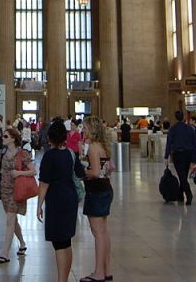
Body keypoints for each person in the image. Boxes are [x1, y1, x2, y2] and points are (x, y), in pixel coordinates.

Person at [37, 119, 81, 282]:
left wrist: (39, 205)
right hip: (70, 198)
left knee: (59, 243)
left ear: (50, 138)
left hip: (56, 201)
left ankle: (62, 280)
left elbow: (44, 183)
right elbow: (79, 173)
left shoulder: (50, 156)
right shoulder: (70, 153)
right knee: (66, 241)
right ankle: (64, 278)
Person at [81, 116, 114, 282]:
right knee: (103, 231)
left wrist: (82, 173)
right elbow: (109, 168)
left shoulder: (93, 147)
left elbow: (94, 172)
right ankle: (106, 269)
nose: (83, 131)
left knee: (98, 232)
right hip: (106, 189)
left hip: (96, 191)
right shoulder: (103, 146)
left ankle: (99, 272)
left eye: (85, 128)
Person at [0, 127, 34, 265]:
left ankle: (5, 253)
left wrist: (19, 173)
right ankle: (22, 243)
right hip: (4, 190)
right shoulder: (2, 153)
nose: (2, 138)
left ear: (12, 139)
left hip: (16, 191)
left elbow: (33, 171)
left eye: (5, 136)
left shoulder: (23, 154)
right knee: (13, 220)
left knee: (10, 220)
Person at [164, 110, 196, 205]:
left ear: (175, 117)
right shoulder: (190, 129)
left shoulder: (173, 129)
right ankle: (180, 195)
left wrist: (166, 156)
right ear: (183, 117)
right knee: (183, 175)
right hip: (188, 154)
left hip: (178, 155)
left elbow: (169, 143)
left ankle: (189, 194)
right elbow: (194, 143)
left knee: (182, 176)